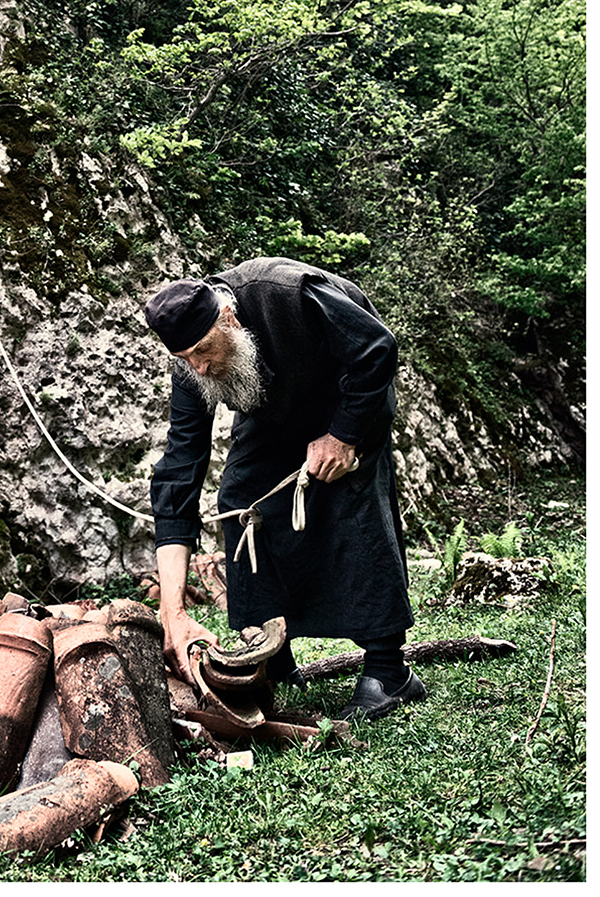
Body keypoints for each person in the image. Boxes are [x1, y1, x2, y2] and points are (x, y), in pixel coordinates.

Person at [145, 256, 426, 720]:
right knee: (240, 500)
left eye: (203, 349)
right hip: (275, 414)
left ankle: (388, 671)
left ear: (228, 318)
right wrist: (171, 611)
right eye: (185, 359)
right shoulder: (193, 365)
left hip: (350, 398)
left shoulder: (288, 291)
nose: (200, 365)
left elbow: (376, 348)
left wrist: (343, 436)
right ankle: (273, 657)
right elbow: (180, 468)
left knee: (352, 502)